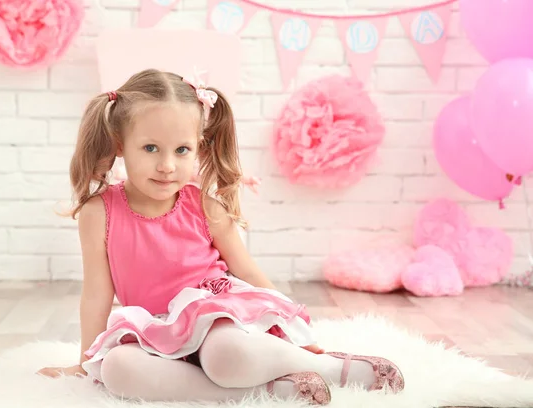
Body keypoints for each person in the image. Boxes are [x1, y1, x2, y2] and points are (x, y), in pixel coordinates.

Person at [37, 68, 404, 404]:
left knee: (226, 355)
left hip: (213, 318)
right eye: (151, 148)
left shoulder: (204, 206)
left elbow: (246, 270)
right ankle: (261, 391)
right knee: (115, 367)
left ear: (198, 146)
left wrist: (299, 332)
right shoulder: (99, 211)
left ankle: (332, 370)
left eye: (182, 151)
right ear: (119, 144)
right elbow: (97, 293)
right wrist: (86, 361)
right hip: (154, 332)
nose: (167, 165)